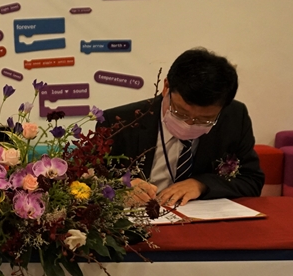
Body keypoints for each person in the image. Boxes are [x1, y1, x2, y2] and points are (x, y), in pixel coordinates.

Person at [102, 47, 263, 208]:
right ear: (166, 87)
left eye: (205, 119)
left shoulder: (235, 117)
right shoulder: (119, 123)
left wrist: (202, 184)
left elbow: (252, 181)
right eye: (181, 113)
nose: (189, 124)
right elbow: (90, 187)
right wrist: (118, 191)